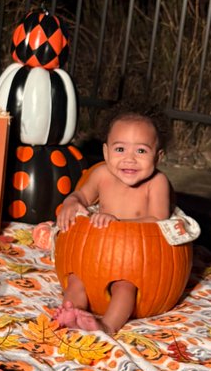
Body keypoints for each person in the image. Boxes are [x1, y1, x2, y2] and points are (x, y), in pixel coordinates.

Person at [53, 102, 173, 334]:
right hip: (98, 252)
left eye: (141, 151)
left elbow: (159, 220)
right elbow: (81, 195)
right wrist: (71, 202)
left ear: (158, 157)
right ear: (106, 152)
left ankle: (107, 325)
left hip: (137, 257)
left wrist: (119, 225)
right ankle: (72, 311)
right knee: (77, 279)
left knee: (125, 287)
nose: (129, 159)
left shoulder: (157, 183)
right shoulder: (101, 175)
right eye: (120, 150)